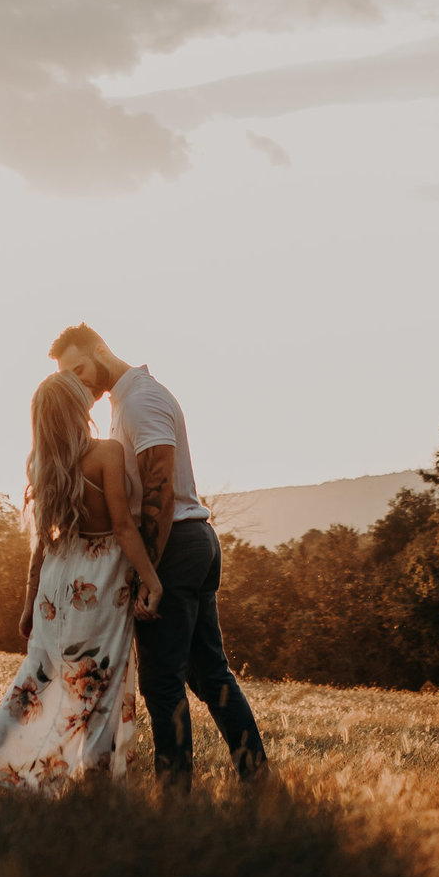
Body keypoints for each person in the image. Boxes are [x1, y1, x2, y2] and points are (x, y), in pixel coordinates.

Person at [49, 323, 269, 788]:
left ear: (101, 351)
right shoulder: (123, 402)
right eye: (69, 376)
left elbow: (159, 490)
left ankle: (175, 795)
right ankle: (257, 778)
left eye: (80, 368)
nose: (79, 382)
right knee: (210, 674)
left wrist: (148, 574)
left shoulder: (139, 400)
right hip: (191, 541)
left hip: (176, 546)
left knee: (162, 682)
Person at [0, 370, 165, 792]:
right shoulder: (107, 453)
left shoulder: (42, 464)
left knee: (33, 679)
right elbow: (124, 528)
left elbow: (39, 543)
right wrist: (152, 580)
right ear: (78, 410)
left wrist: (28, 602)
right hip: (100, 582)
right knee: (99, 681)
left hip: (55, 583)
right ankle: (94, 779)